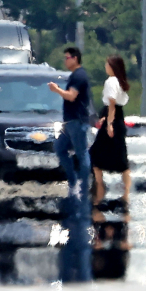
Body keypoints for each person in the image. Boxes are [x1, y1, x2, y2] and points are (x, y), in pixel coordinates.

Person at [48, 46, 92, 203]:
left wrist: (57, 90)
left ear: (75, 58)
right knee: (59, 148)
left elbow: (71, 96)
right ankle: (73, 180)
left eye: (67, 58)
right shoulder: (75, 75)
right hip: (69, 122)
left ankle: (84, 185)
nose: (65, 61)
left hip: (77, 121)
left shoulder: (79, 76)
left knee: (81, 153)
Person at [89, 54, 131, 203]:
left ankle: (100, 185)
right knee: (121, 156)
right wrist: (105, 117)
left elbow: (112, 104)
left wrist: (109, 124)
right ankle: (125, 191)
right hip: (118, 117)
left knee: (94, 153)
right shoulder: (120, 81)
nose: (105, 67)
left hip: (113, 119)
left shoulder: (111, 82)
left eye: (107, 64)